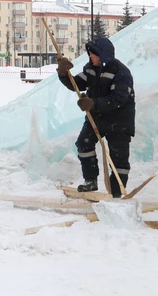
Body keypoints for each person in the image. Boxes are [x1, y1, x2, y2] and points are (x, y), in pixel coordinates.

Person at [57, 37, 136, 197]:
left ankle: (116, 191)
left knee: (118, 159)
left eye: (93, 54)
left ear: (103, 55)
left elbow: (118, 99)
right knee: (83, 144)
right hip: (97, 118)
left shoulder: (121, 72)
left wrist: (92, 104)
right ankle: (90, 181)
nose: (90, 56)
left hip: (119, 121)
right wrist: (64, 74)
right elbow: (77, 84)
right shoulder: (91, 69)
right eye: (89, 54)